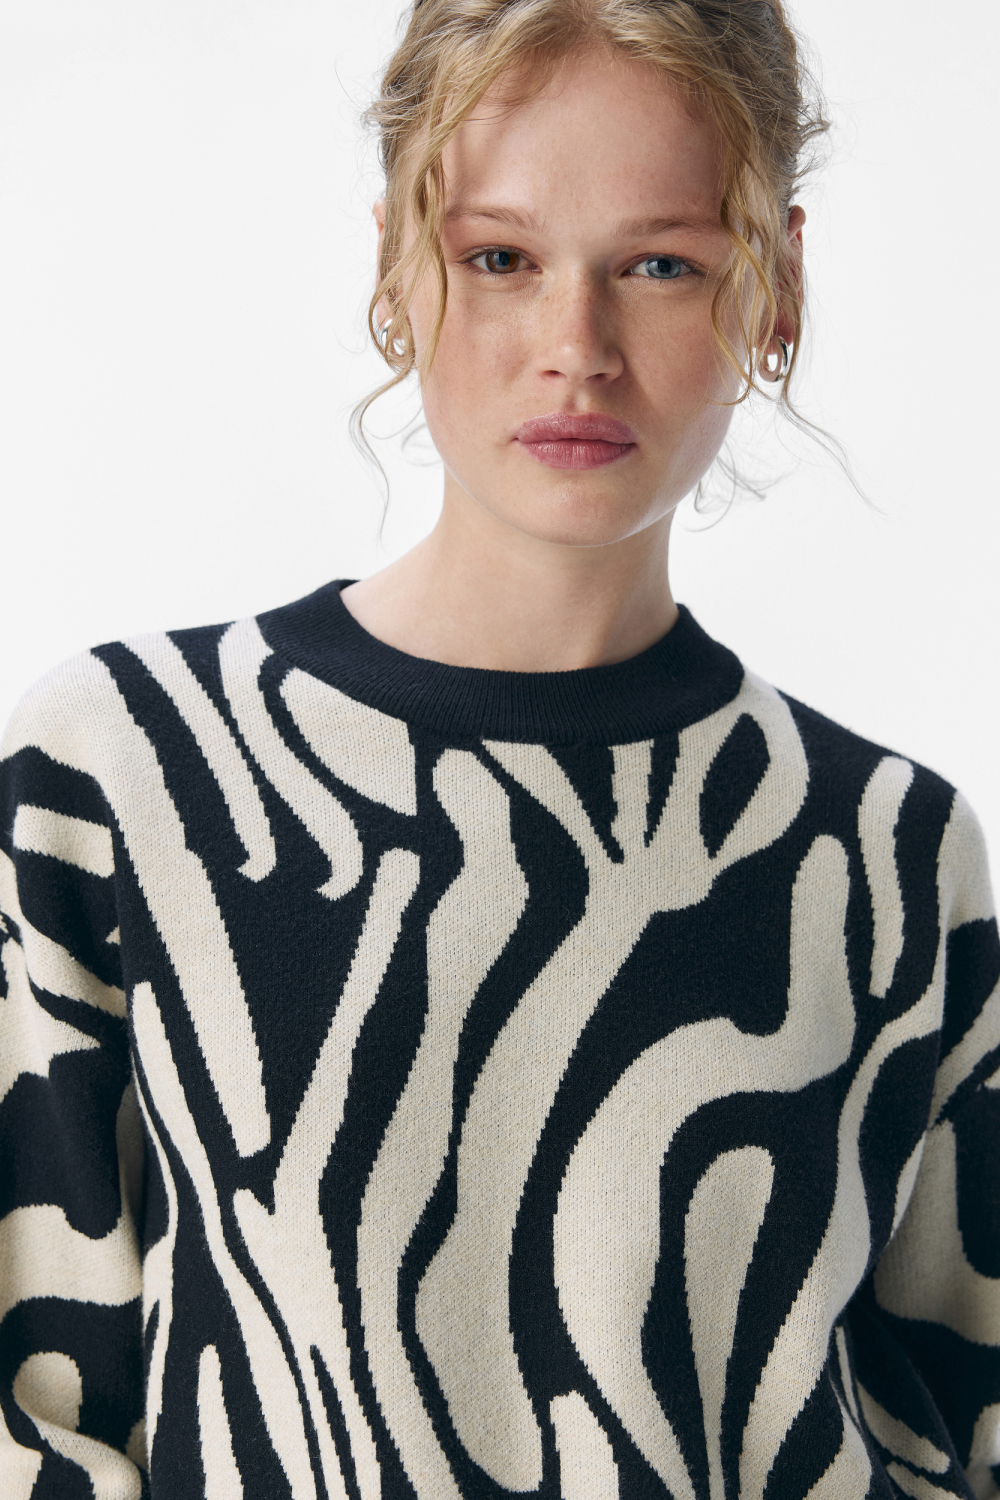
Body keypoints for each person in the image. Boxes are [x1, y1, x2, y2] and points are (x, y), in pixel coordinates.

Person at [1, 0, 997, 1495]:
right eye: (501, 259)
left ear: (778, 283)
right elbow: (38, 1416)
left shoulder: (890, 852)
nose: (575, 350)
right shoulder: (125, 771)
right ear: (400, 267)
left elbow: (959, 1415)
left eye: (661, 265)